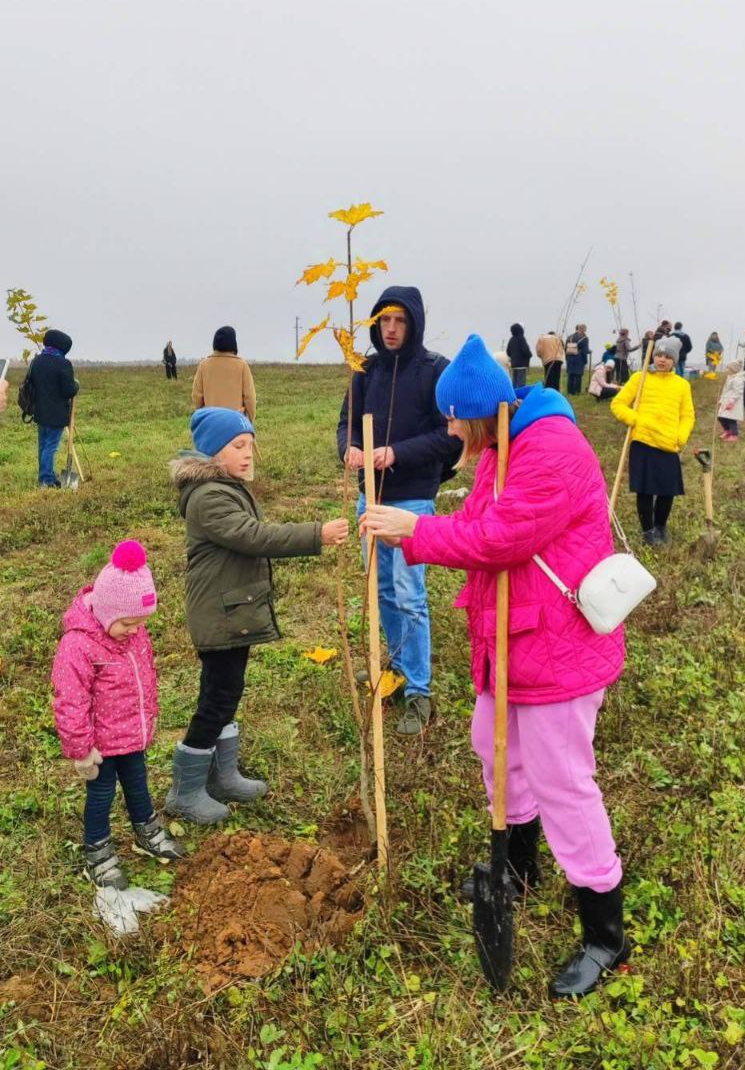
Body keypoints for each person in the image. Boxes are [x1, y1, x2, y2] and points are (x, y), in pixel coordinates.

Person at [361, 335, 629, 1000]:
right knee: (494, 747)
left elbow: (499, 536)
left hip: (556, 647)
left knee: (564, 779)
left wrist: (414, 532)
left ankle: (605, 932)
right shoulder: (502, 447)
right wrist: (422, 524)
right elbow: (482, 517)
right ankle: (519, 868)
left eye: (454, 419)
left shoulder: (552, 451)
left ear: (479, 413)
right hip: (511, 638)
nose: (449, 431)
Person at [166, 408, 348, 822]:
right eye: (238, 446)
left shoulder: (224, 485)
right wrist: (315, 534)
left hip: (233, 609)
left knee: (228, 691)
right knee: (216, 697)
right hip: (219, 613)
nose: (249, 454)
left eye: (250, 445)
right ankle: (185, 790)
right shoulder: (209, 496)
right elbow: (254, 537)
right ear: (214, 452)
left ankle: (222, 776)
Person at [337, 286, 458, 735]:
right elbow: (346, 422)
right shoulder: (363, 370)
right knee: (381, 588)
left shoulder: (434, 371)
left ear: (415, 323)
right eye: (384, 321)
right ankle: (396, 666)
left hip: (411, 498)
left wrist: (396, 453)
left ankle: (419, 690)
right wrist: (349, 448)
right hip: (372, 495)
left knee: (409, 593)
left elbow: (450, 436)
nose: (390, 330)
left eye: (400, 321)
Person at [51, 541, 184, 890]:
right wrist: (81, 749)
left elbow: (146, 678)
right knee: (101, 794)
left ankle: (147, 831)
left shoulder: (136, 635)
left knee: (139, 784)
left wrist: (147, 720)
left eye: (141, 622)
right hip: (100, 745)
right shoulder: (78, 646)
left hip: (131, 736)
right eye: (128, 623)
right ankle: (97, 851)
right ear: (107, 612)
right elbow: (70, 701)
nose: (135, 630)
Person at [610, 335, 695, 545]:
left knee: (667, 491)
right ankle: (647, 531)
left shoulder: (682, 385)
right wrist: (635, 420)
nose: (662, 359)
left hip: (668, 443)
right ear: (653, 356)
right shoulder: (640, 378)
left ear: (674, 360)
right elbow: (618, 404)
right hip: (643, 440)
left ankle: (660, 526)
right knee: (645, 490)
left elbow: (687, 415)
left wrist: (680, 436)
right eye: (658, 354)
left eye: (667, 356)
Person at [29, 328, 79, 488]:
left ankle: (47, 475)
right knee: (50, 446)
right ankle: (46, 480)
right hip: (56, 413)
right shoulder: (63, 364)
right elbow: (68, 390)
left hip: (40, 411)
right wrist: (76, 385)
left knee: (43, 445)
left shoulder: (37, 361)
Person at [192, 326, 256, 422]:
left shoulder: (203, 365)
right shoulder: (242, 365)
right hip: (235, 423)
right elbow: (249, 397)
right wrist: (250, 419)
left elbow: (197, 397)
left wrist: (202, 415)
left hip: (211, 421)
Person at [717, 360, 745, 440]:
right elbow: (725, 390)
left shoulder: (738, 379)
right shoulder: (730, 377)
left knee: (731, 419)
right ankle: (727, 430)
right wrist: (722, 400)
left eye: (728, 368)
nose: (726, 370)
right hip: (726, 400)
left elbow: (738, 391)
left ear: (733, 370)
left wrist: (732, 401)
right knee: (721, 417)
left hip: (732, 402)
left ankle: (734, 434)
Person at [565, 324, 590, 395]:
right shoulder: (585, 338)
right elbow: (585, 351)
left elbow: (565, 348)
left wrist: (567, 358)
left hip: (570, 358)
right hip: (579, 359)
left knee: (570, 375)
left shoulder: (570, 337)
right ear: (584, 329)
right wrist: (585, 361)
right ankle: (576, 392)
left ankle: (569, 391)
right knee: (578, 376)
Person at [506, 323, 532, 388]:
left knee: (514, 383)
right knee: (521, 384)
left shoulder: (511, 339)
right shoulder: (521, 338)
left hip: (514, 365)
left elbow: (508, 352)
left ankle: (514, 397)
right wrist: (529, 355)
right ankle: (519, 397)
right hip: (522, 365)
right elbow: (526, 351)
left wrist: (513, 357)